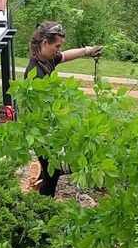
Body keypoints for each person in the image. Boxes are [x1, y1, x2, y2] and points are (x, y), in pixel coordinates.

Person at [24, 21, 103, 197]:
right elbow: (43, 111)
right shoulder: (35, 72)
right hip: (41, 133)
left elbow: (66, 56)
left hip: (48, 130)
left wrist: (87, 51)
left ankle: (42, 204)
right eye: (56, 46)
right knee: (52, 174)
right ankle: (42, 210)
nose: (58, 50)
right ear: (45, 43)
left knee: (51, 173)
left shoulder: (47, 59)